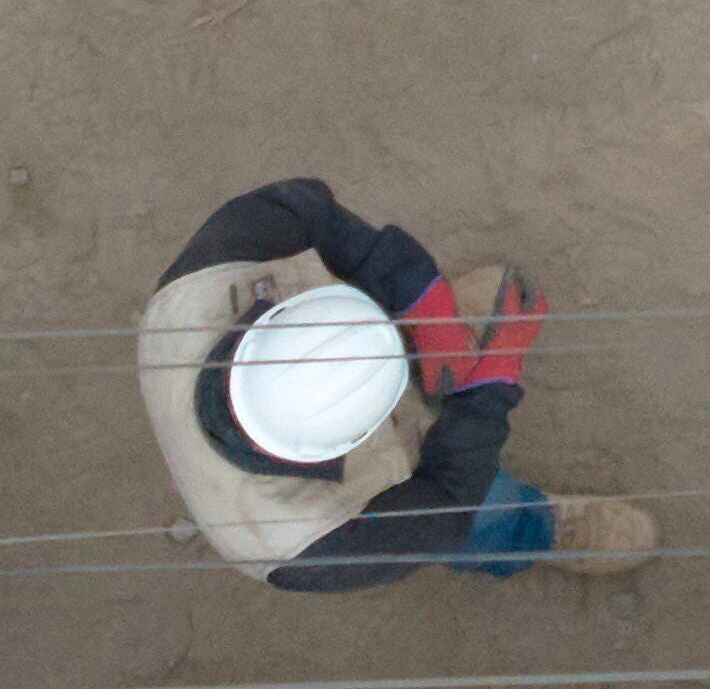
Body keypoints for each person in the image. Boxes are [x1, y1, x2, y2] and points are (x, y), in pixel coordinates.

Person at [138, 178, 650, 586]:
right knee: (474, 518)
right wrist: (488, 389)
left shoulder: (201, 282)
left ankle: (438, 345)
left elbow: (304, 207)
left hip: (344, 345)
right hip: (367, 496)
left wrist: (415, 291)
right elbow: (450, 502)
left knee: (393, 338)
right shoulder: (304, 546)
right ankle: (533, 528)